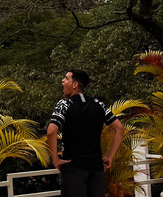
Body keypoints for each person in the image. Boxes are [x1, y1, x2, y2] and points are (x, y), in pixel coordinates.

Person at [47, 69, 124, 197]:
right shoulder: (99, 104)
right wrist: (109, 157)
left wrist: (55, 159)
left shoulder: (64, 104)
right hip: (96, 168)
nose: (62, 81)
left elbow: (51, 132)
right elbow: (119, 129)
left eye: (66, 78)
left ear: (74, 84)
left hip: (73, 168)